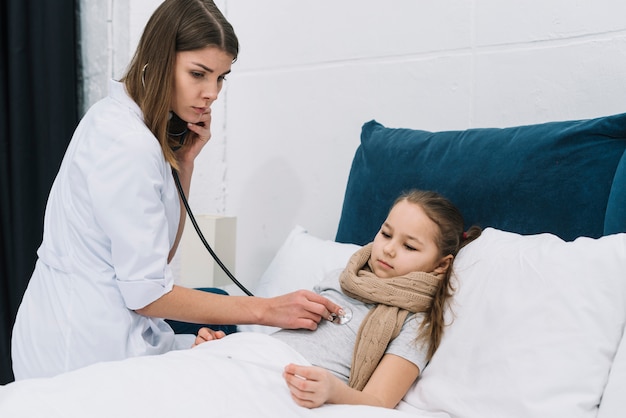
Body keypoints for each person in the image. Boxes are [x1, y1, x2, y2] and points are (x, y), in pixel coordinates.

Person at [11, 0, 341, 381]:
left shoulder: (126, 122)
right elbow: (147, 295)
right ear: (159, 59)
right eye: (198, 74)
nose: (212, 92)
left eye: (221, 77)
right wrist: (265, 310)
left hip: (105, 332)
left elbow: (157, 257)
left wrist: (185, 164)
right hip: (81, 352)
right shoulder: (127, 143)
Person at [195, 189, 482, 409]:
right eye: (386, 234)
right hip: (253, 357)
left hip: (289, 384)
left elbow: (379, 402)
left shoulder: (416, 322)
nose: (389, 249)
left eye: (409, 246)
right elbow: (286, 339)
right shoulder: (342, 277)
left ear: (441, 265)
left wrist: (333, 391)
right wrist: (227, 348)